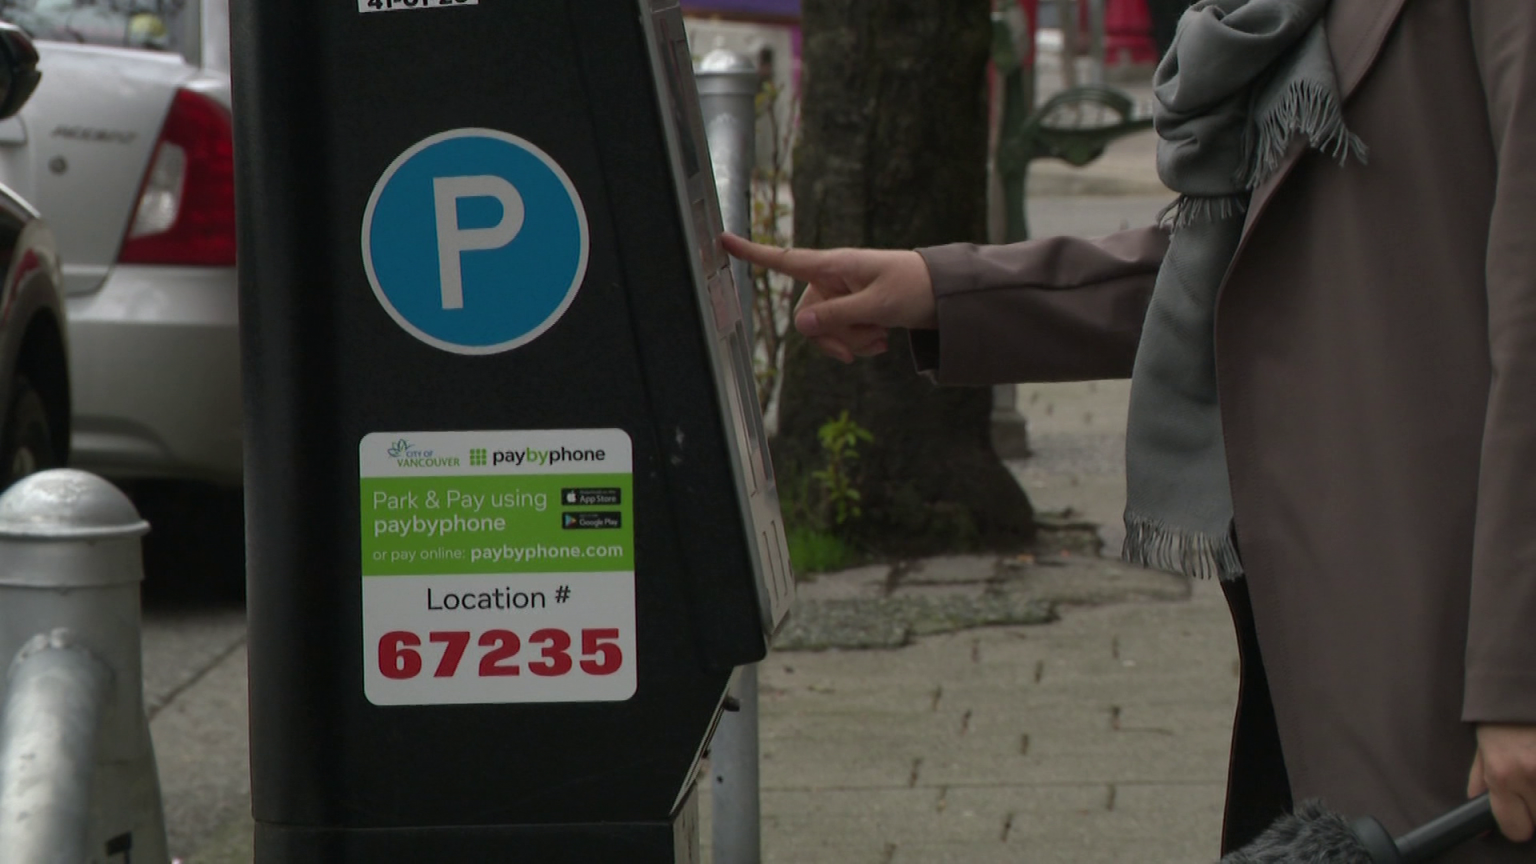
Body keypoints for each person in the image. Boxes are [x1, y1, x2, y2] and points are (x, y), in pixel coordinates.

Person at [723, 1, 1536, 860]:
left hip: (1456, 641)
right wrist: (942, 288)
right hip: (1325, 629)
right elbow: (1240, 269)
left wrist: (1519, 679)